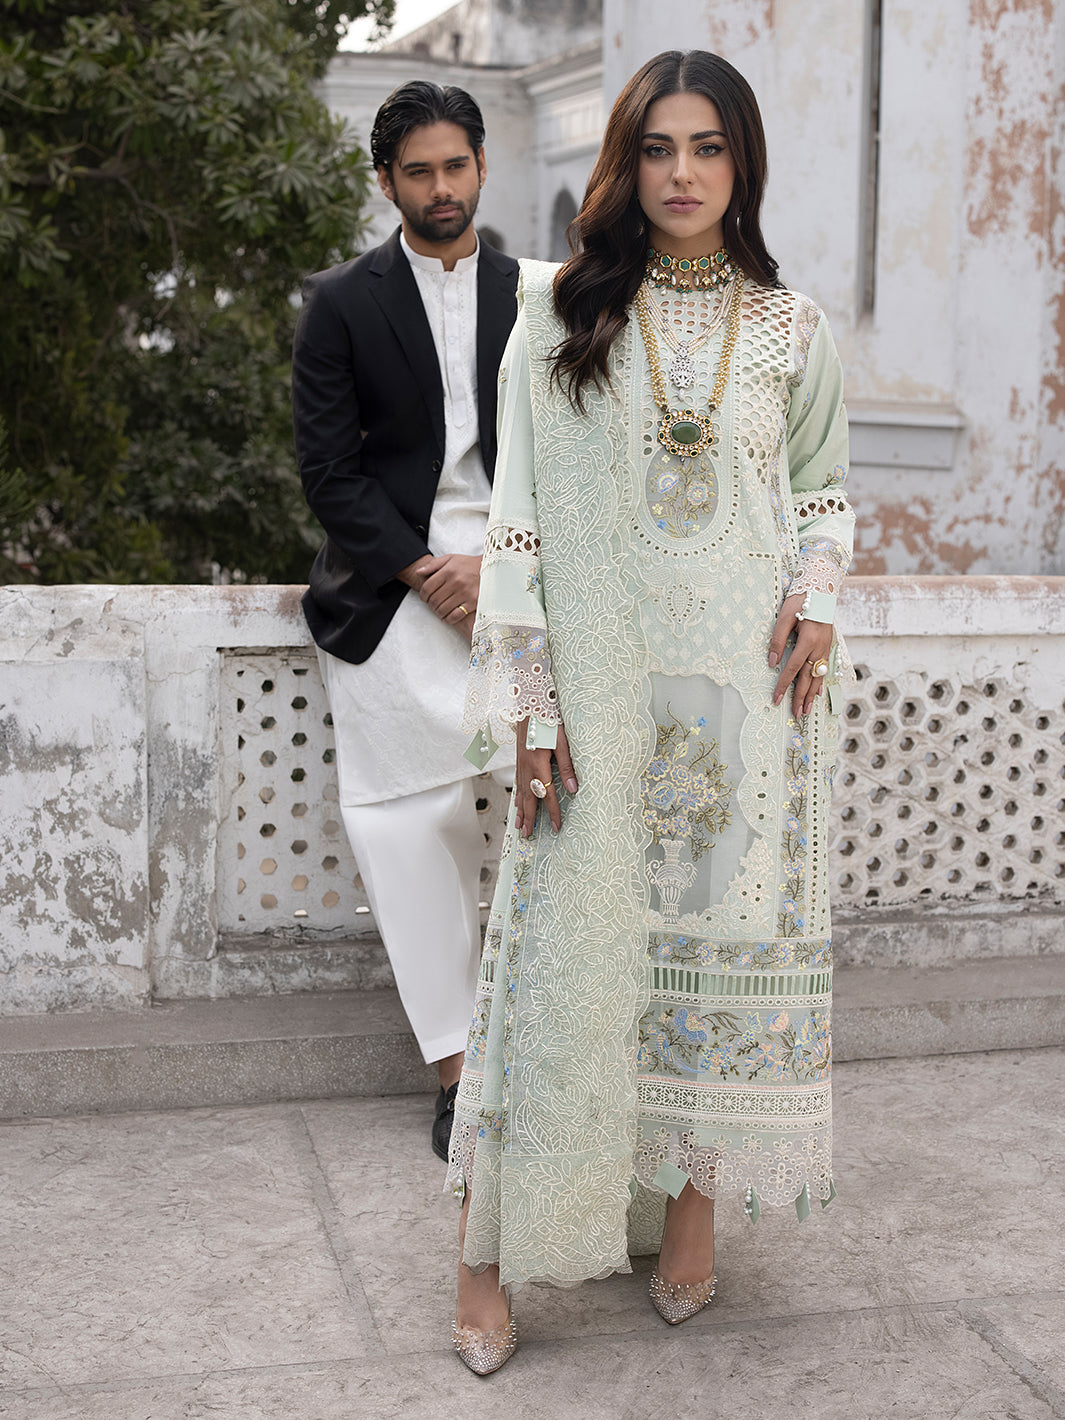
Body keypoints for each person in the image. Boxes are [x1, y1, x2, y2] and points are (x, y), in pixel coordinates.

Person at [447, 49, 854, 1374]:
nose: (684, 174)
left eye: (709, 148)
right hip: (600, 694)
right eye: (660, 148)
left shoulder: (792, 328)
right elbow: (517, 527)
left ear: (743, 165)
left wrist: (819, 594)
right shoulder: (559, 313)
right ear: (625, 162)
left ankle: (690, 1209)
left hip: (743, 707)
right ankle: (484, 1254)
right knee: (547, 964)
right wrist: (534, 699)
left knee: (709, 959)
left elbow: (824, 492)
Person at [291, 81, 519, 1162]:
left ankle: (547, 1054)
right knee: (405, 828)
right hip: (392, 590)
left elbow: (576, 459)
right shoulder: (339, 302)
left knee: (557, 817)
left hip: (523, 581)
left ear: (481, 166)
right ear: (386, 182)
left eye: (455, 166)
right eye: (418, 171)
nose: (440, 188)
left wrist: (502, 569)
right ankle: (458, 1072)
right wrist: (432, 574)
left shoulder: (542, 294)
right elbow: (328, 475)